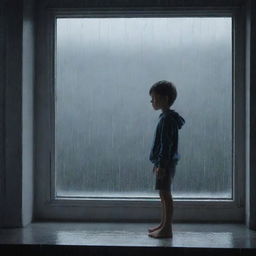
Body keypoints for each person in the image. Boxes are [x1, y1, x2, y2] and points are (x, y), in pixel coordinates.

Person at [148, 80, 185, 238]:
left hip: (166, 164)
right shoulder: (167, 117)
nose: (152, 102)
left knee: (165, 194)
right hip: (165, 163)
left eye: (154, 99)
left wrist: (161, 165)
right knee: (163, 194)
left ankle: (167, 228)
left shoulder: (167, 120)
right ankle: (164, 224)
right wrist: (158, 163)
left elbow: (166, 145)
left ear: (165, 98)